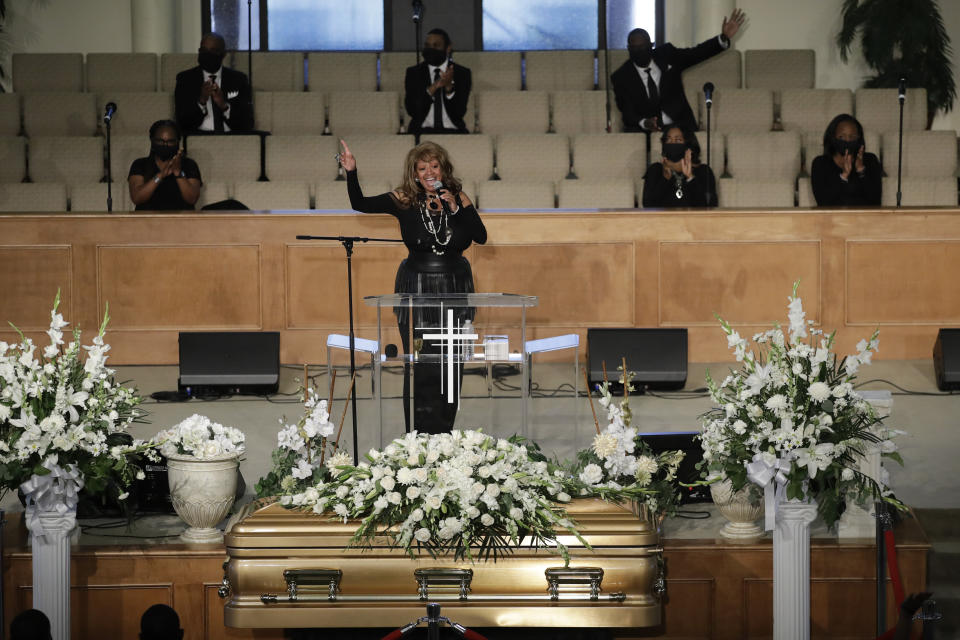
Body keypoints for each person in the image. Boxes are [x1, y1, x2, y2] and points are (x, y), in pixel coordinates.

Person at [338, 139, 487, 433]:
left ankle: (444, 434)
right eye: (422, 168)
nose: (429, 172)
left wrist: (456, 208)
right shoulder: (403, 199)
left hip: (454, 287)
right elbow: (360, 204)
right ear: (414, 173)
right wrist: (351, 171)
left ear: (443, 168)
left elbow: (479, 236)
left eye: (434, 166)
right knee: (420, 362)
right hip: (418, 288)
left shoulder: (459, 197)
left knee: (451, 364)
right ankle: (417, 436)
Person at [611, 9, 746, 133]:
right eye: (634, 48)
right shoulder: (621, 77)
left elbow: (696, 54)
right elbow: (628, 113)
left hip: (681, 127)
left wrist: (723, 38)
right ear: (628, 49)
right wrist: (645, 123)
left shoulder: (667, 54)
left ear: (651, 46)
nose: (639, 51)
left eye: (642, 47)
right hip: (646, 134)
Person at [175, 32, 253, 133]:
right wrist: (202, 101)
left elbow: (247, 123)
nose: (207, 55)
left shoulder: (239, 79)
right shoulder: (185, 79)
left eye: (213, 51)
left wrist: (224, 106)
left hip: (232, 138)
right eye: (203, 50)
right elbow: (182, 123)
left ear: (223, 54)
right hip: (197, 138)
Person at [404, 28, 472, 135]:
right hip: (421, 132)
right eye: (427, 46)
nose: (431, 49)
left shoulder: (461, 73)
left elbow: (459, 112)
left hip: (453, 131)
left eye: (436, 46)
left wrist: (449, 88)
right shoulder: (414, 73)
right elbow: (412, 110)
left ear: (448, 48)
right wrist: (433, 87)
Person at [128, 120, 202, 211]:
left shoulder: (189, 164)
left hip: (181, 221)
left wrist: (178, 173)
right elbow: (137, 198)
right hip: (147, 221)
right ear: (152, 140)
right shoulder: (140, 164)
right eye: (160, 141)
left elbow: (192, 199)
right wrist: (160, 175)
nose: (165, 145)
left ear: (177, 142)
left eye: (170, 142)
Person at [811, 113, 882, 206]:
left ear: (859, 138)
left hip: (865, 218)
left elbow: (875, 200)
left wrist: (861, 170)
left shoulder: (870, 160)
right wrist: (843, 176)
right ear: (833, 137)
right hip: (832, 219)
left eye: (852, 137)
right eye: (842, 137)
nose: (847, 140)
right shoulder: (820, 163)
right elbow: (824, 201)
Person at [642, 126, 716, 207]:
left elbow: (709, 205)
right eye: (669, 140)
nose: (672, 143)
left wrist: (691, 178)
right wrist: (665, 179)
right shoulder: (655, 170)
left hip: (692, 219)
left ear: (688, 145)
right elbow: (648, 205)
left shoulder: (703, 171)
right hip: (663, 219)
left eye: (678, 140)